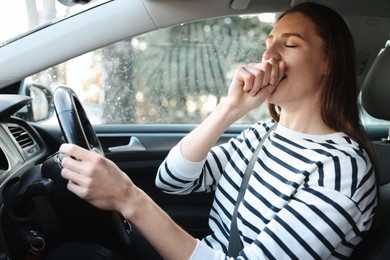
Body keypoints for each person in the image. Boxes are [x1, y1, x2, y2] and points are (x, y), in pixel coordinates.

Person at [59, 2, 378, 259]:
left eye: (290, 44)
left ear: (329, 63)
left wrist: (128, 197)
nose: (269, 56)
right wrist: (231, 109)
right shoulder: (262, 135)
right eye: (268, 45)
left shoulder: (341, 171)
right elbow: (172, 180)